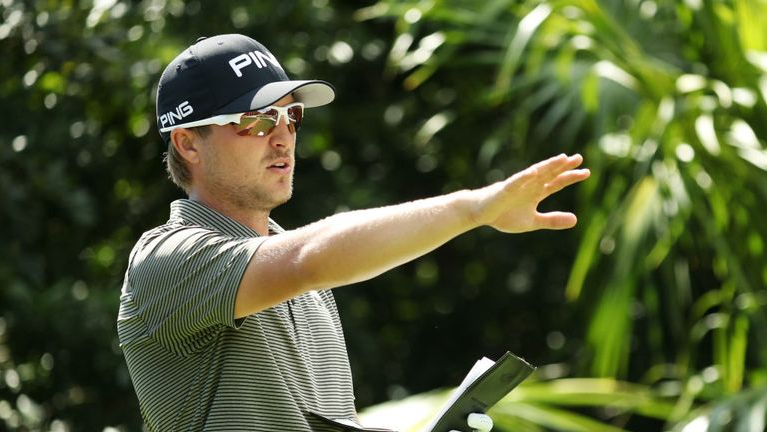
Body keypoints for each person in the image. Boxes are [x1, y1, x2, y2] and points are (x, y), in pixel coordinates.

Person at [117, 34, 590, 431]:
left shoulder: (312, 291)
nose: (282, 136)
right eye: (255, 121)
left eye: (291, 116)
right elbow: (309, 259)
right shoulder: (165, 260)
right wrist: (472, 208)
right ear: (187, 144)